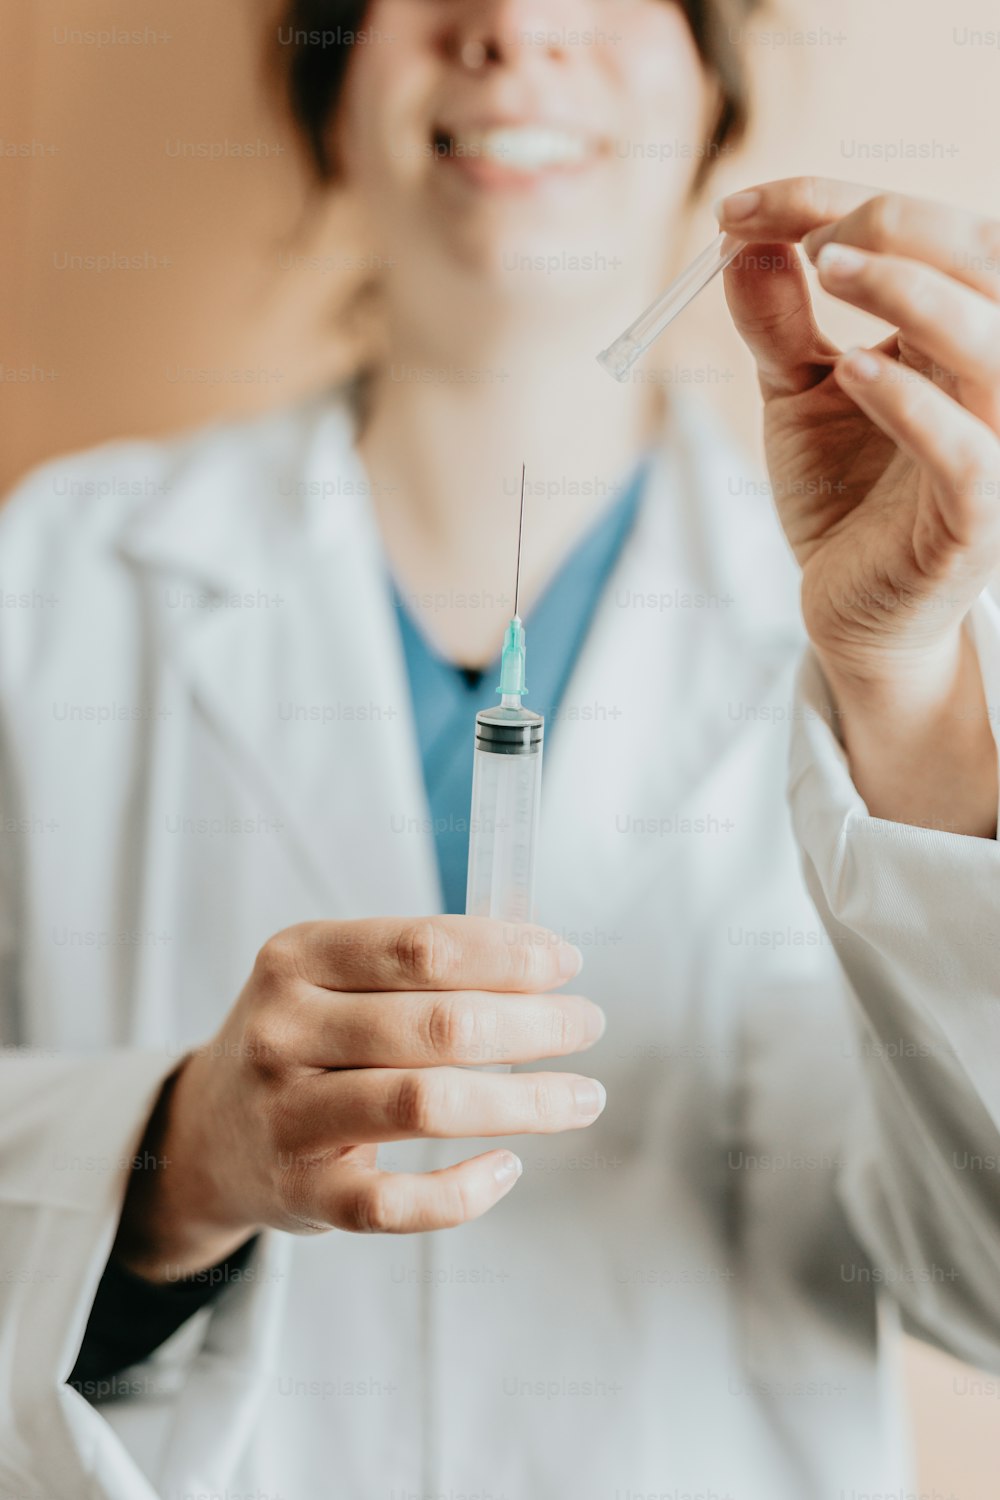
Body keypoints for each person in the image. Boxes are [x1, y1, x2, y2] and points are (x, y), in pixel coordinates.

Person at [2, 1, 1000, 1496]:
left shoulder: (929, 630)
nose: (516, 25)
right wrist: (171, 1157)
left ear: (709, 105)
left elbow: (985, 1288)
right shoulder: (57, 580)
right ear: (328, 97)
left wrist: (898, 687)